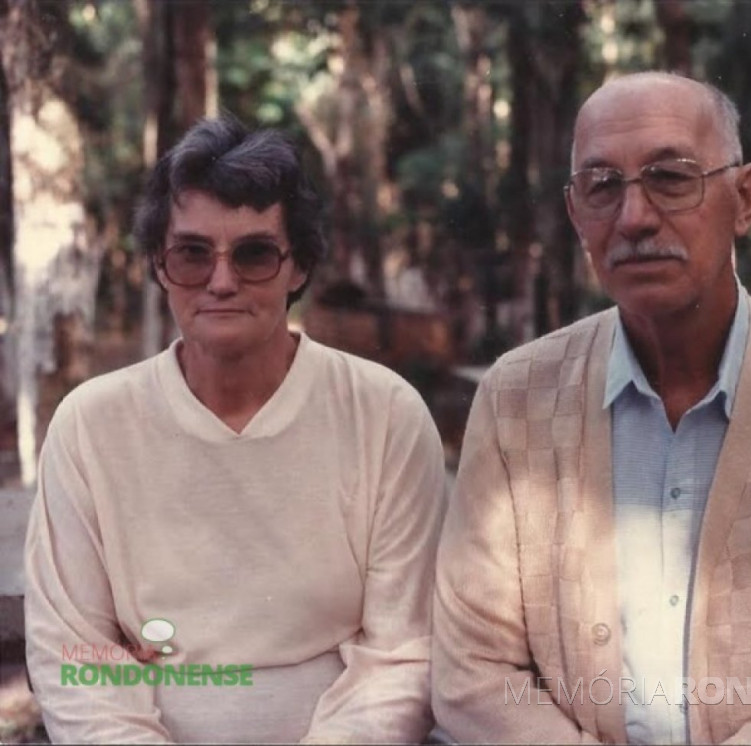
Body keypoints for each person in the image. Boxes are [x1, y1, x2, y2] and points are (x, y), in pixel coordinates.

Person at [432, 72, 751, 744]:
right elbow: (473, 670)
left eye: (671, 178)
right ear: (574, 212)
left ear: (746, 198)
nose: (635, 217)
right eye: (602, 186)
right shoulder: (517, 397)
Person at [25, 115, 447, 744]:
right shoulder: (91, 426)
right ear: (160, 266)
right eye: (193, 254)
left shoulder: (384, 414)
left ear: (297, 267)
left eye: (253, 254)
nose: (221, 281)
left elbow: (404, 655)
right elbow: (78, 661)